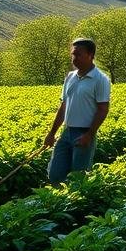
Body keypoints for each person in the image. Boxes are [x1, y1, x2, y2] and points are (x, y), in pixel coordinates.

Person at [44, 38, 111, 183]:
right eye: (73, 54)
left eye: (78, 54)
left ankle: (77, 205)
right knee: (55, 175)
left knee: (78, 178)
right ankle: (58, 204)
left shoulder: (100, 79)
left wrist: (89, 135)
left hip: (84, 133)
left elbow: (103, 110)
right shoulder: (70, 77)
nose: (74, 58)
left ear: (91, 55)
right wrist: (52, 133)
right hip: (66, 132)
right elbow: (63, 106)